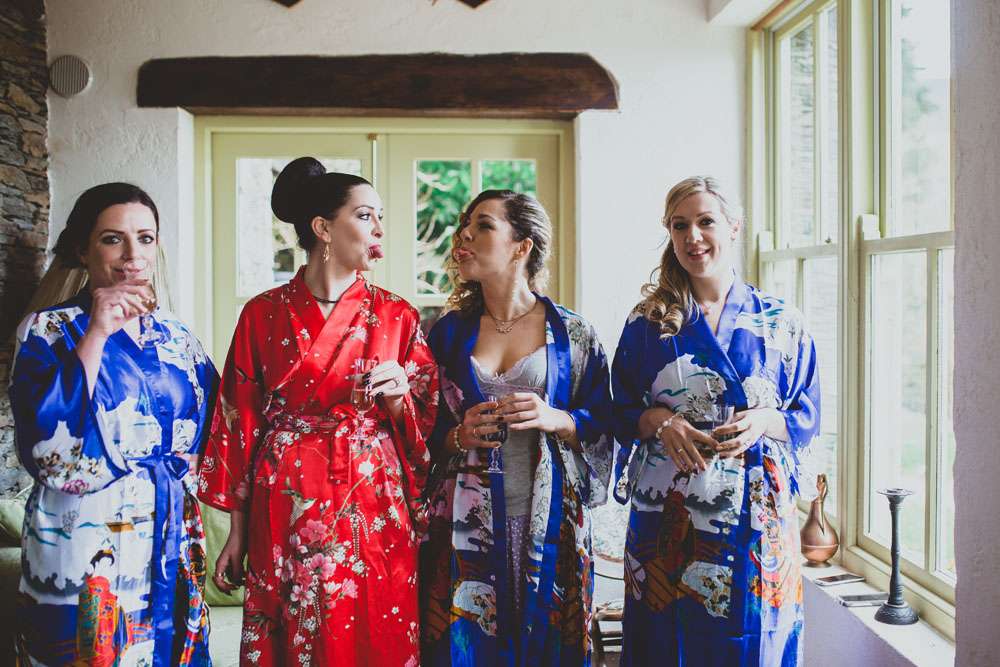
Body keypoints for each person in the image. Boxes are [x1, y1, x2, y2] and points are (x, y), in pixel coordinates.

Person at [199, 157, 438, 666]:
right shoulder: (262, 313)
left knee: (375, 620)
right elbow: (239, 423)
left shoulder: (397, 314)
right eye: (366, 215)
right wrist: (236, 535)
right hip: (286, 497)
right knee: (293, 627)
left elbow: (426, 423)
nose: (380, 229)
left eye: (379, 217)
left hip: (372, 497)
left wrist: (399, 399)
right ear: (323, 229)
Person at [611, 176, 821, 666]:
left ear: (733, 227)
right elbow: (617, 411)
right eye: (679, 225)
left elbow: (806, 416)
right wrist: (661, 420)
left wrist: (763, 419)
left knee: (754, 637)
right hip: (668, 511)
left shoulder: (781, 321)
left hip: (755, 511)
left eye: (706, 222)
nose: (693, 237)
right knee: (664, 637)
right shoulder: (648, 322)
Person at [9, 182, 218, 666]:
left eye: (145, 238)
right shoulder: (46, 330)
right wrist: (98, 331)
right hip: (82, 535)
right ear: (83, 250)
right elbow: (47, 442)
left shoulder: (176, 335)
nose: (132, 255)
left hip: (167, 531)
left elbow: (218, 421)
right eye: (112, 239)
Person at [420, 190, 613, 666]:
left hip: (548, 520)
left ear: (521, 246)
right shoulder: (445, 333)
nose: (465, 235)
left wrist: (559, 419)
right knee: (465, 644)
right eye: (465, 225)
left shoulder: (573, 334)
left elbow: (608, 424)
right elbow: (419, 427)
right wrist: (457, 436)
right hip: (464, 523)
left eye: (483, 225)